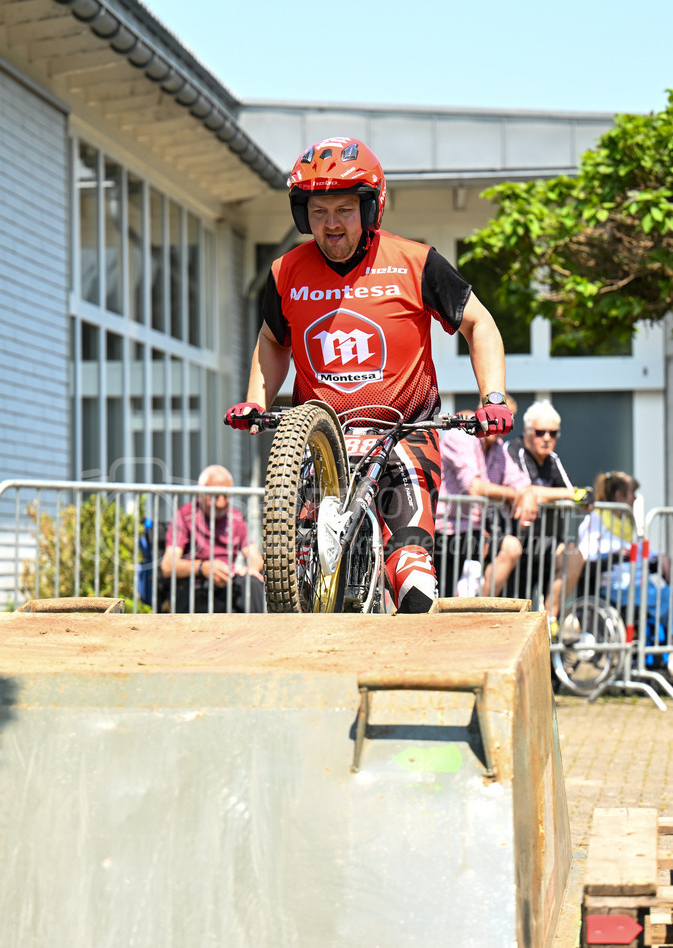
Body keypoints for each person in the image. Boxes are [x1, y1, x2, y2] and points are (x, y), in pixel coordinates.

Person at [225, 136, 513, 613]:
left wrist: (495, 399)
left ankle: (415, 662)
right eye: (318, 211)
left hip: (404, 431)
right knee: (290, 565)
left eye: (343, 209)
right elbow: (274, 341)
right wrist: (256, 399)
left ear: (370, 207)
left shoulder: (417, 263)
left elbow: (479, 323)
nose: (331, 224)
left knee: (410, 561)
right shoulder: (285, 273)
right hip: (322, 441)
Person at [435, 396, 540, 598]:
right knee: (437, 603)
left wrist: (526, 494)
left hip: (470, 532)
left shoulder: (499, 448)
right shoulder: (460, 435)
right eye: (494, 417)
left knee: (511, 547)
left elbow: (520, 481)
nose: (497, 424)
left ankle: (481, 610)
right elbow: (474, 487)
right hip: (443, 531)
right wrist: (513, 495)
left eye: (505, 419)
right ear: (480, 413)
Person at [505, 400, 586, 627]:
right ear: (527, 432)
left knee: (574, 556)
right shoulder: (514, 450)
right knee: (515, 617)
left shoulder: (553, 459)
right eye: (540, 432)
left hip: (545, 544)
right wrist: (568, 495)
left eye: (553, 433)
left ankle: (551, 621)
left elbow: (574, 493)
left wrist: (585, 497)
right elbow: (526, 490)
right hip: (516, 544)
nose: (547, 438)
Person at [160, 464, 264, 613]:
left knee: (253, 583)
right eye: (214, 496)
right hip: (196, 584)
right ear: (200, 492)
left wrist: (251, 569)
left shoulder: (235, 517)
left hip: (228, 581)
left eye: (226, 496)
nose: (221, 502)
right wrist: (203, 568)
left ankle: (257, 633)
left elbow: (255, 556)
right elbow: (168, 565)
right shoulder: (185, 516)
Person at [577, 471, 670, 626]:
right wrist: (612, 556)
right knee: (659, 598)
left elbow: (638, 551)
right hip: (614, 588)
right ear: (619, 495)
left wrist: (661, 556)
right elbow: (585, 556)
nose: (635, 498)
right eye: (632, 493)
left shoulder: (626, 523)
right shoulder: (595, 520)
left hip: (638, 584)